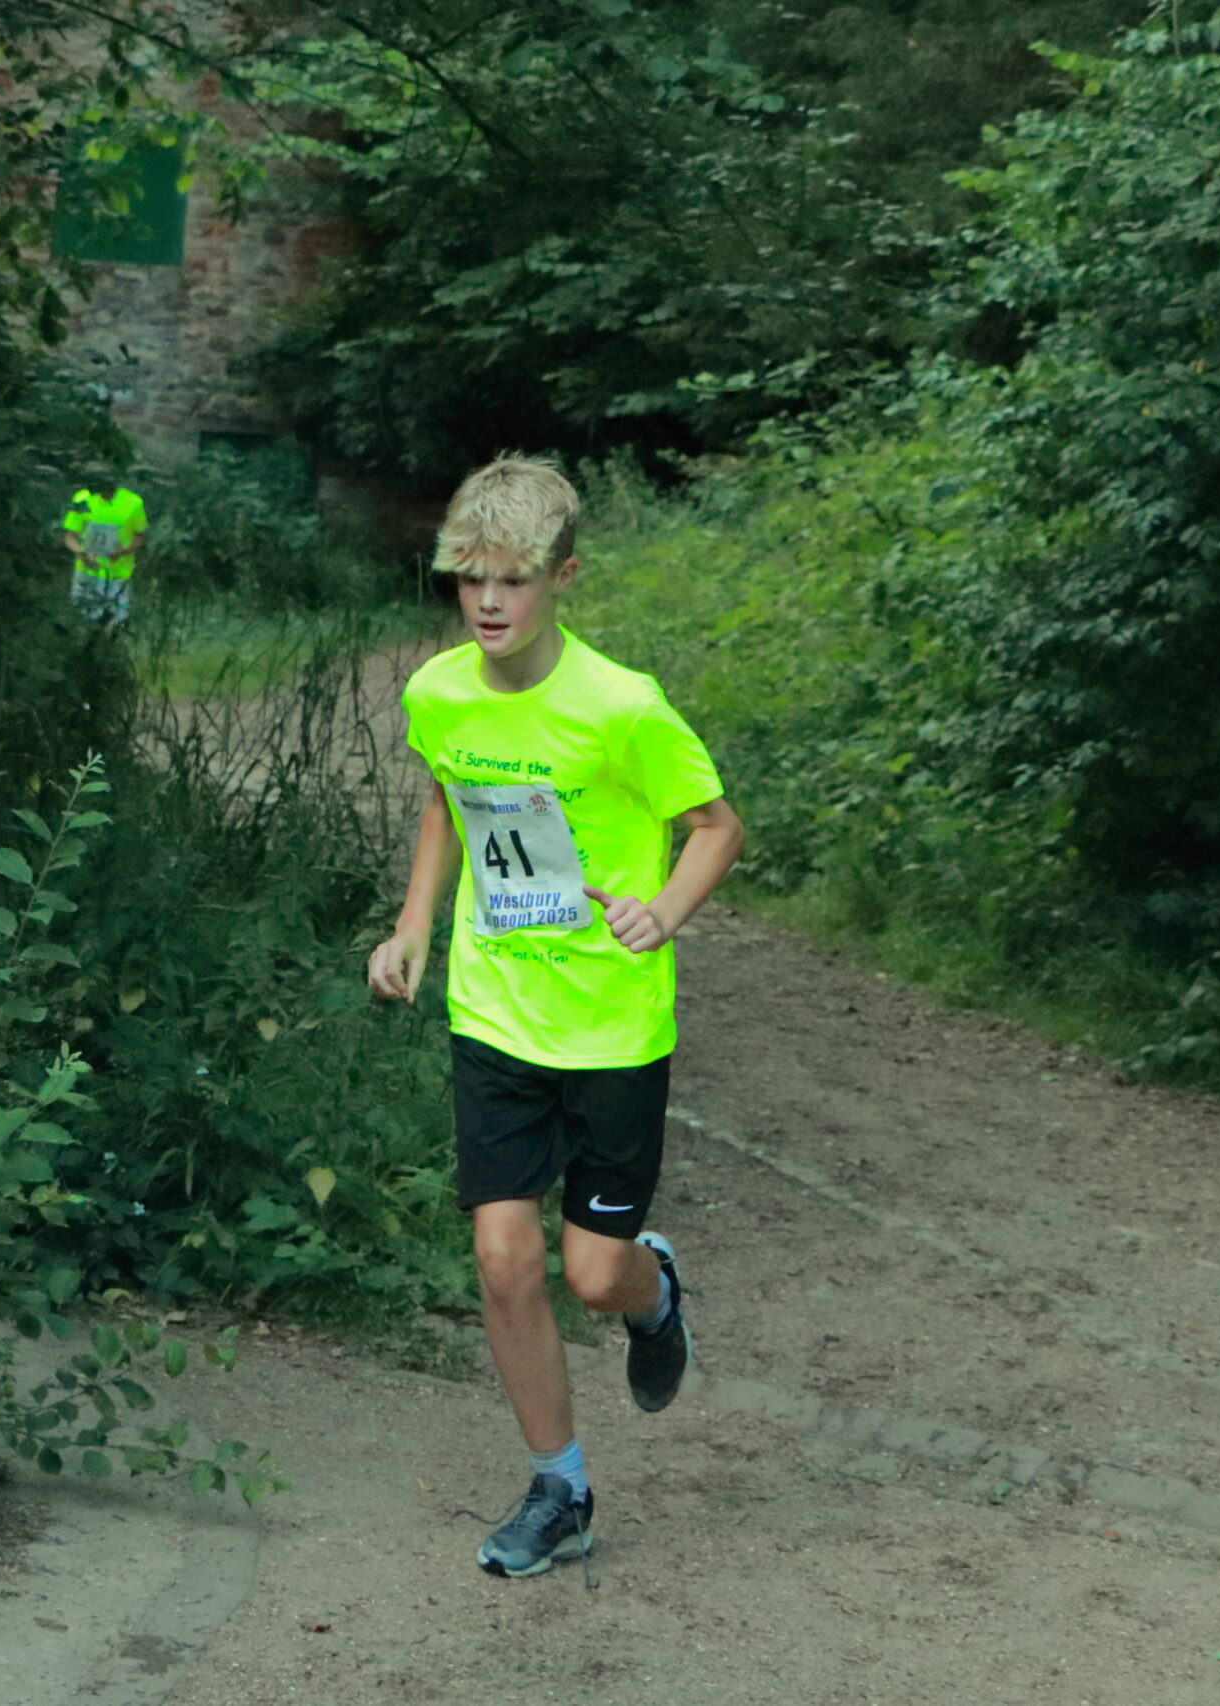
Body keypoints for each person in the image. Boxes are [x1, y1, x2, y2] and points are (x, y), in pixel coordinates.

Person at [367, 455, 743, 1582]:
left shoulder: (622, 706)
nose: (488, 603)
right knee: (501, 1257)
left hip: (612, 1026)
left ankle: (652, 1291)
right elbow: (447, 797)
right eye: (469, 579)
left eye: (514, 580)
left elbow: (716, 827)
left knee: (593, 1273)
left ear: (563, 577)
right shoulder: (439, 692)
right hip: (496, 1010)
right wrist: (415, 924)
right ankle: (560, 1488)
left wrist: (663, 910)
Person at [61, 477, 145, 624]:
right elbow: (70, 536)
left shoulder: (133, 502)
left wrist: (123, 551)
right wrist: (81, 553)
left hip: (117, 574)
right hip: (86, 573)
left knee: (115, 623)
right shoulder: (82, 498)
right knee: (82, 621)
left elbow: (140, 537)